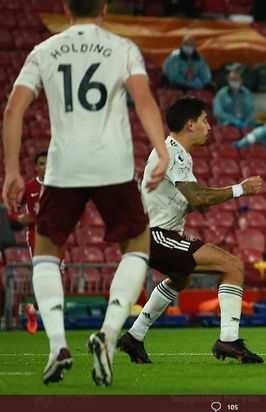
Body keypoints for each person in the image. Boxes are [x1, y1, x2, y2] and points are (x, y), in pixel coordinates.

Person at [2, 0, 169, 386]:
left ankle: (57, 344)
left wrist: (11, 170)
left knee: (46, 252)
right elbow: (143, 100)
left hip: (64, 167)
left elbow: (13, 111)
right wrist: (161, 150)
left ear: (65, 7)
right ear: (105, 8)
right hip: (113, 164)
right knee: (137, 246)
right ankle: (108, 337)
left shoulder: (43, 51)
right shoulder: (122, 47)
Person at [117, 96, 264, 364]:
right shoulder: (172, 153)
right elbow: (197, 197)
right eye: (205, 120)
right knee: (232, 266)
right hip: (156, 236)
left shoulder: (172, 152)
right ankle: (228, 341)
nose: (209, 126)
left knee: (182, 278)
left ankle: (134, 337)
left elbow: (190, 199)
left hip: (155, 234)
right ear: (190, 124)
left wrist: (202, 201)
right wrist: (241, 189)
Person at [7, 151, 47, 255]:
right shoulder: (28, 187)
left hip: (57, 238)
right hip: (35, 238)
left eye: (49, 163)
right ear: (36, 167)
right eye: (42, 164)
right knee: (40, 270)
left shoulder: (60, 188)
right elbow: (11, 211)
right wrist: (19, 217)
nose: (46, 167)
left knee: (57, 271)